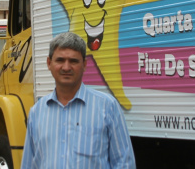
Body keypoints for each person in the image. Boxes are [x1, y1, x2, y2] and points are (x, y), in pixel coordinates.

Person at [20, 32, 135, 169]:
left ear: (84, 65)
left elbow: (124, 163)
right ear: (49, 63)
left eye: (73, 61)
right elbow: (28, 165)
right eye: (60, 60)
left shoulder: (107, 107)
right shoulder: (37, 112)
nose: (66, 67)